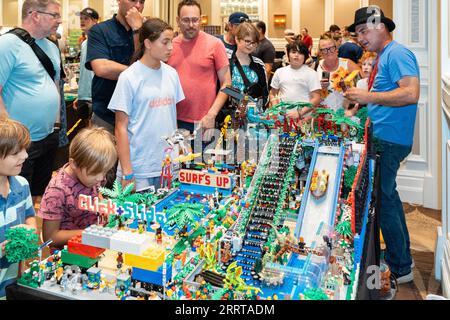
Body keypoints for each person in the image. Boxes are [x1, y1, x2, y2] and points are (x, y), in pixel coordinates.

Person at [344, 6, 420, 287]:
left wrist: (367, 95)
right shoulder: (382, 57)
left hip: (390, 141)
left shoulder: (397, 53)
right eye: (357, 33)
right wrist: (363, 101)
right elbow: (386, 94)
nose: (360, 38)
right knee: (388, 198)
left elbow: (411, 93)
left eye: (364, 30)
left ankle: (400, 266)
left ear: (381, 27)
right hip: (383, 138)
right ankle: (402, 257)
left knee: (384, 201)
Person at [109, 18, 185, 191]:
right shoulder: (129, 77)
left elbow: (171, 120)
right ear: (148, 44)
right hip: (139, 168)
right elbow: (120, 127)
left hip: (168, 166)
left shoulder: (172, 74)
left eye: (171, 42)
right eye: (165, 42)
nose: (171, 47)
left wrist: (177, 158)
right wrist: (128, 172)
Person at [0, 0, 62, 201]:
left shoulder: (52, 47)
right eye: (54, 15)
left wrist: (56, 125)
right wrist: (11, 135)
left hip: (48, 135)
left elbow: (54, 85)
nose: (59, 20)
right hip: (19, 143)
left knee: (40, 195)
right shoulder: (8, 44)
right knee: (15, 196)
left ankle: (37, 232)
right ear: (35, 15)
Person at [38, 127, 117, 251]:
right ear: (74, 164)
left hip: (95, 244)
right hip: (68, 255)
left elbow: (97, 193)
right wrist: (90, 232)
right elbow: (50, 236)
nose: (101, 178)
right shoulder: (57, 191)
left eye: (105, 171)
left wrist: (103, 206)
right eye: (95, 172)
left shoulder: (93, 175)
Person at [167, 0, 230, 143]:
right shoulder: (169, 46)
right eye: (186, 20)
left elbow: (227, 84)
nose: (191, 25)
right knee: (175, 164)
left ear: (201, 19)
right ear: (177, 20)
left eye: (195, 20)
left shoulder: (215, 44)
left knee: (203, 164)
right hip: (173, 121)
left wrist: (212, 114)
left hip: (204, 122)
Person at [86, 0, 146, 134]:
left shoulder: (146, 32)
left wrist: (138, 30)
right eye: (133, 0)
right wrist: (139, 72)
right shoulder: (100, 30)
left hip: (139, 116)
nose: (137, 6)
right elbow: (101, 68)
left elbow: (151, 65)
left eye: (141, 2)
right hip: (106, 116)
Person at [0, 117, 37, 298]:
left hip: (12, 283)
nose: (25, 156)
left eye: (24, 150)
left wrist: (30, 229)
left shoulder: (21, 185)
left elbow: (30, 215)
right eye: (16, 153)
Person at [269, 41, 321, 120]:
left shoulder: (312, 74)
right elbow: (272, 93)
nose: (296, 55)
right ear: (288, 54)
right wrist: (275, 108)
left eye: (300, 53)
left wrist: (299, 113)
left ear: (305, 56)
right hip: (283, 118)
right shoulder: (279, 71)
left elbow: (316, 99)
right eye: (293, 52)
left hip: (304, 118)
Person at [316, 33, 360, 111]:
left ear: (336, 49)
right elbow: (311, 95)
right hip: (323, 115)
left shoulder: (348, 64)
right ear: (321, 52)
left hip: (345, 116)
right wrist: (320, 89)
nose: (328, 51)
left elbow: (365, 83)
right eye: (324, 49)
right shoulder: (316, 67)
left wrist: (348, 87)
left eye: (331, 48)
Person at [230, 22, 269, 106]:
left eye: (254, 43)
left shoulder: (259, 64)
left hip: (254, 113)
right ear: (237, 39)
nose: (251, 46)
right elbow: (222, 89)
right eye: (247, 41)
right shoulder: (227, 63)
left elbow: (265, 93)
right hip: (231, 114)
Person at [74, 7, 99, 121]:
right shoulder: (84, 44)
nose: (82, 21)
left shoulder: (101, 42)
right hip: (84, 96)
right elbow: (85, 72)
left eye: (86, 18)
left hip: (95, 96)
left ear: (95, 21)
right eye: (81, 19)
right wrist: (80, 95)